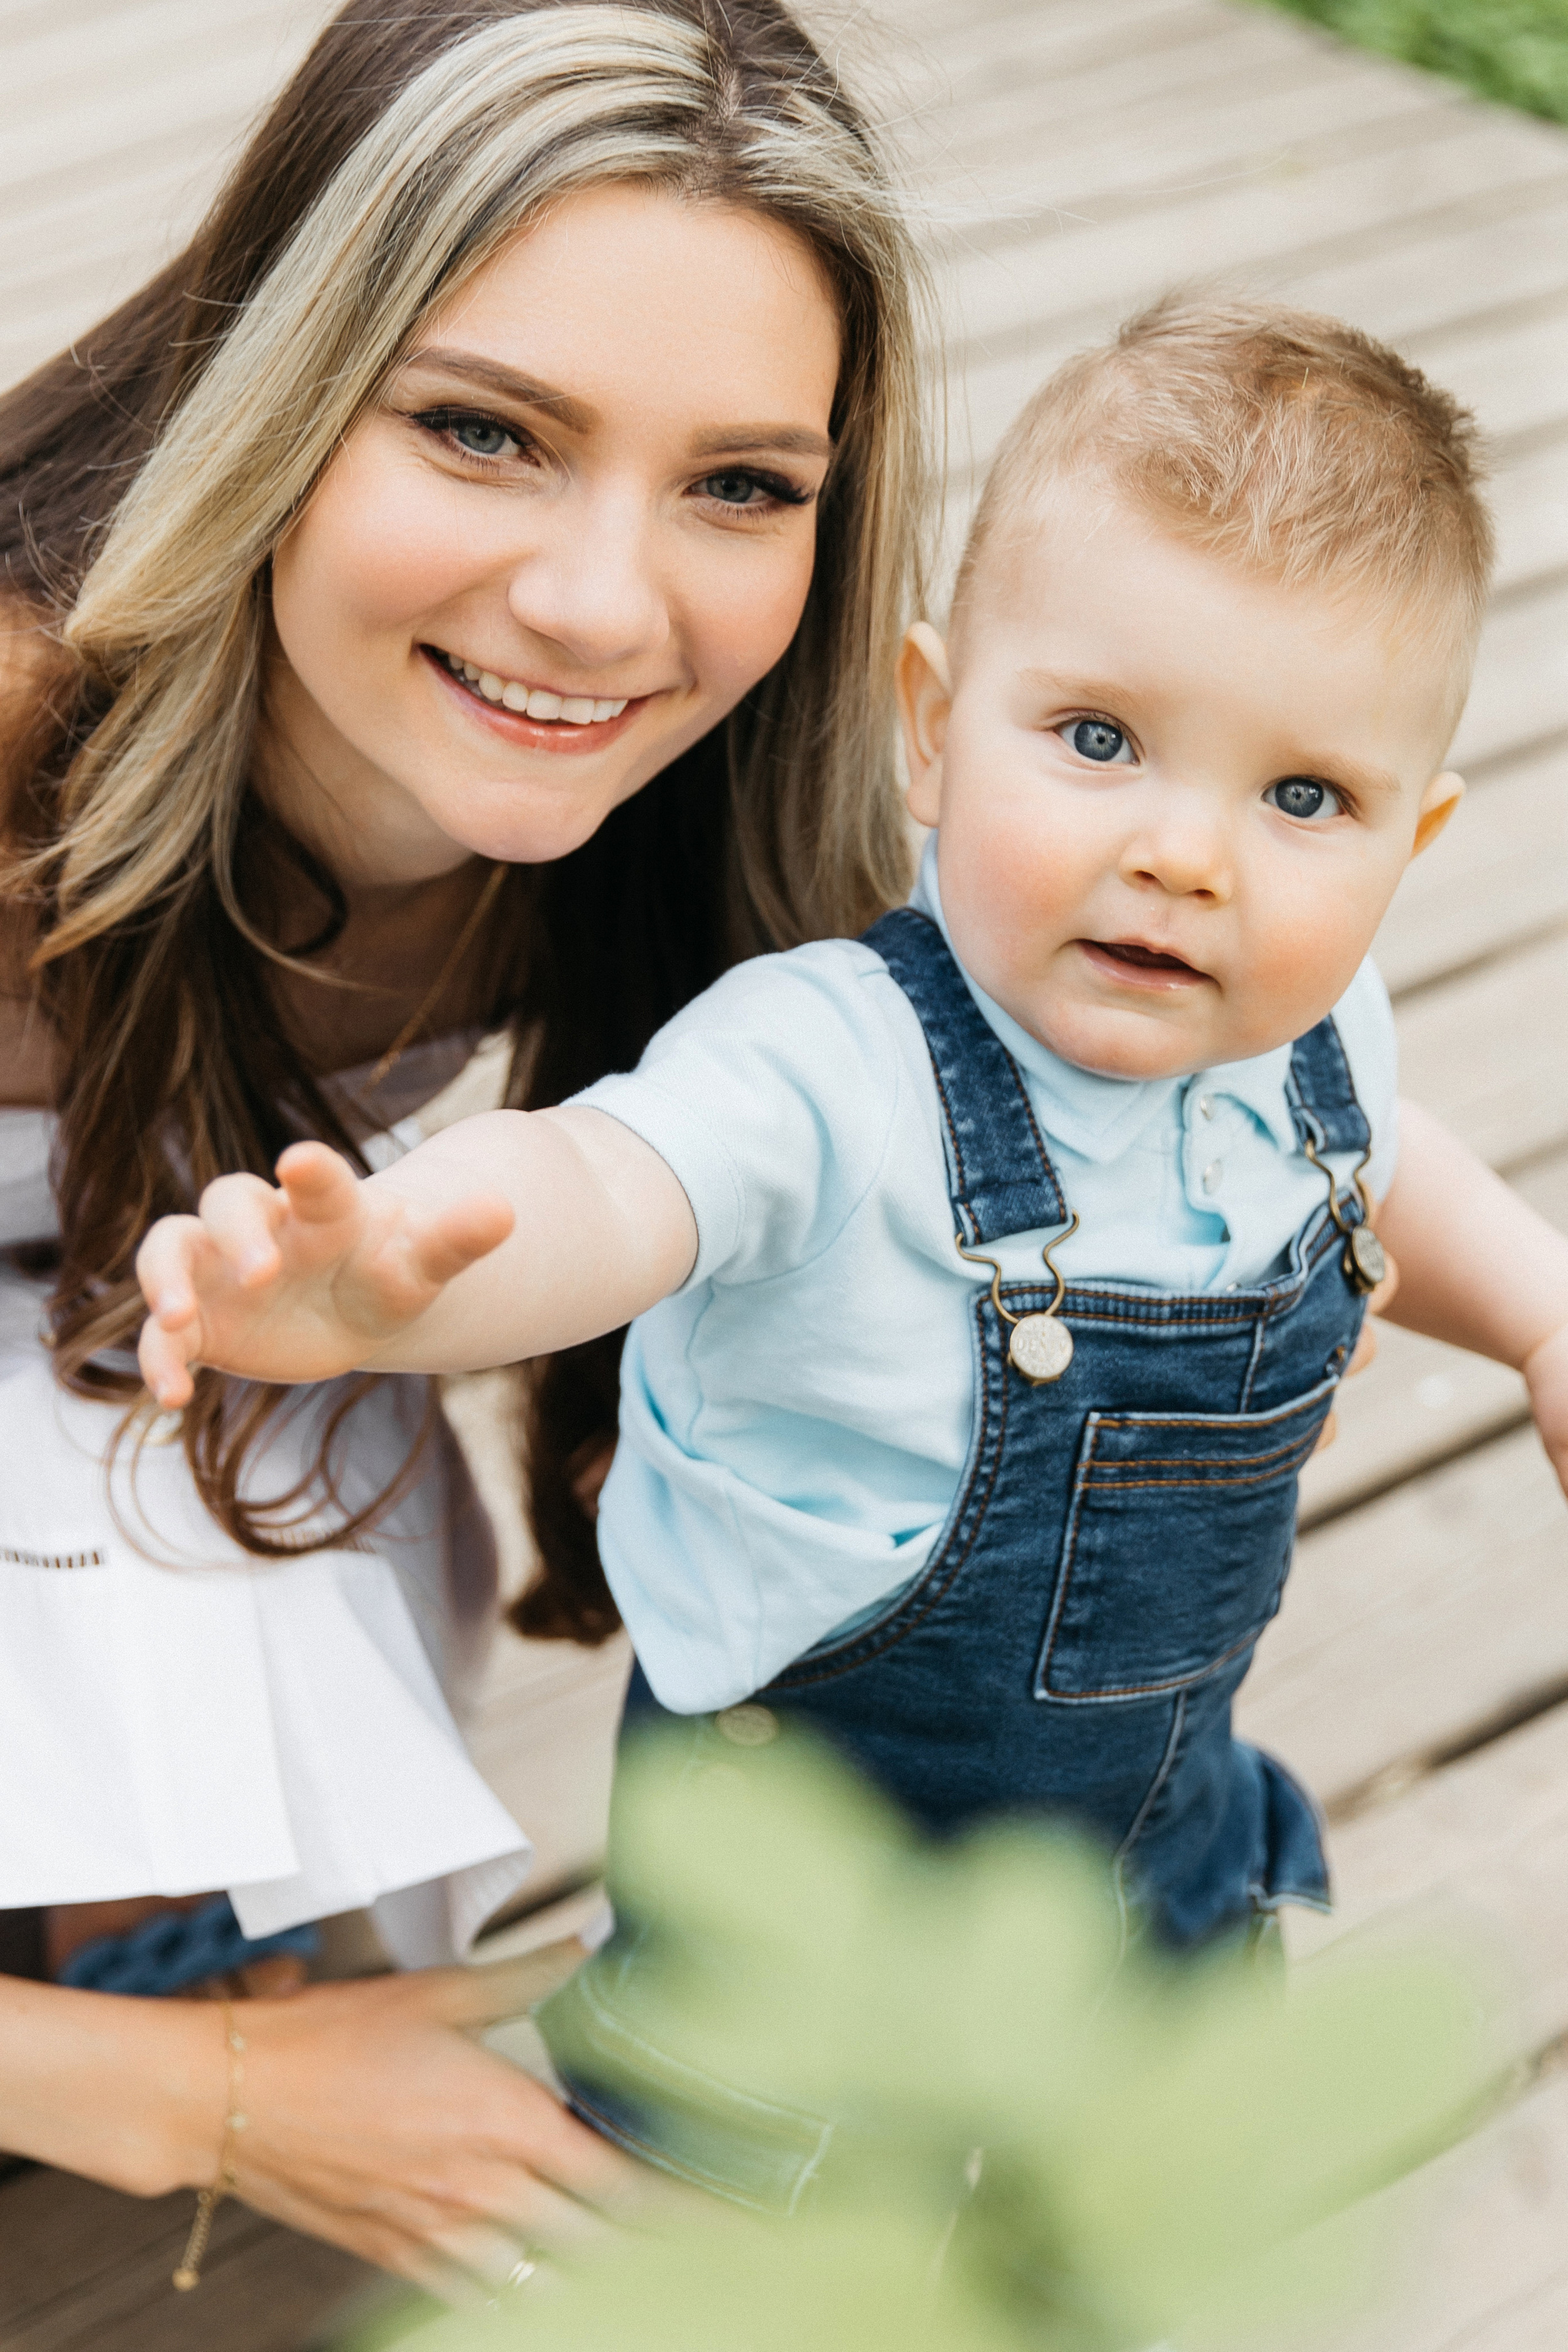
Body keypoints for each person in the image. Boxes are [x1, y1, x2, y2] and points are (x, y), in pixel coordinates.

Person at [137, 295, 1568, 2203]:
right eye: (1098, 738)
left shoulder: (1317, 1038)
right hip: (807, 1890)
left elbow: (1392, 1170)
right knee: (757, 2244)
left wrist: (1542, 1312)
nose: (1188, 853)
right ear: (930, 729)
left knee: (1116, 2213)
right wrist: (391, 1286)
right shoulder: (835, 1058)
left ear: (1414, 838)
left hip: (1145, 1853)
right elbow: (607, 1189)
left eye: (1304, 798)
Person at [0, 0, 931, 2286]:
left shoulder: (730, 792)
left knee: (312, 1454)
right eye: (485, 431)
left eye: (742, 483)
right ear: (286, 387)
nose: (608, 607)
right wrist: (196, 2099)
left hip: (145, 1333)